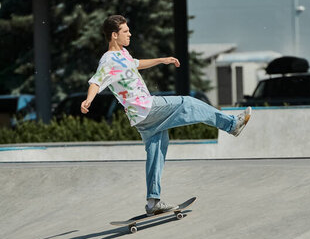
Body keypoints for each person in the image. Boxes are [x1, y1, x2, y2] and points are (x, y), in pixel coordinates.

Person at [81, 15, 251, 215]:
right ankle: (231, 124)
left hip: (140, 118)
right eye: (125, 32)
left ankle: (153, 202)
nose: (130, 34)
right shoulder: (108, 59)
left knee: (157, 151)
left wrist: (161, 60)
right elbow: (96, 81)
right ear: (114, 35)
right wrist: (89, 100)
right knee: (187, 102)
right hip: (146, 108)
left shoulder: (123, 54)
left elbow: (136, 64)